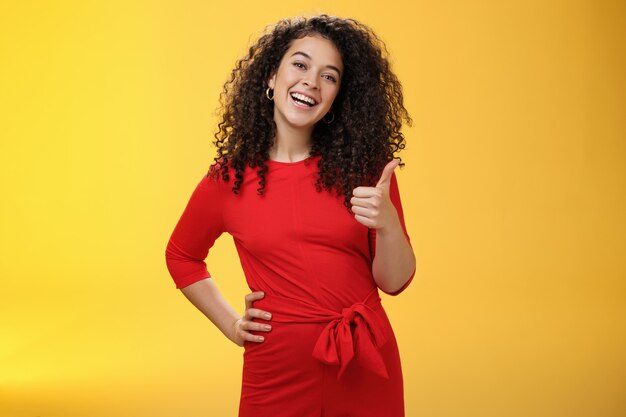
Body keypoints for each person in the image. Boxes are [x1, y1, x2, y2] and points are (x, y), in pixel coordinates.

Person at [165, 14, 416, 417]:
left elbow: (395, 281)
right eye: (300, 65)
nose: (311, 83)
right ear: (270, 77)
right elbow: (181, 255)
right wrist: (231, 324)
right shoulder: (226, 180)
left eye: (329, 76)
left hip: (365, 359)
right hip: (276, 368)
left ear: (337, 96)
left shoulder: (366, 170)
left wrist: (387, 223)